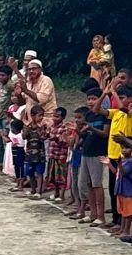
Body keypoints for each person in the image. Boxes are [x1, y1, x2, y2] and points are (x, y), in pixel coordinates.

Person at [77, 91, 111, 227]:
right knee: (88, 183)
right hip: (86, 151)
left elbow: (105, 134)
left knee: (97, 184)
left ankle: (101, 216)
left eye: (94, 99)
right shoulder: (89, 115)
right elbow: (84, 135)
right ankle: (93, 214)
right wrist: (78, 128)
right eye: (89, 99)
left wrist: (91, 128)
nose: (91, 101)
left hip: (98, 152)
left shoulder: (105, 116)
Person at [105, 85, 132, 227]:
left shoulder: (129, 112)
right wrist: (105, 94)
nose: (118, 100)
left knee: (126, 193)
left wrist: (113, 92)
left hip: (127, 155)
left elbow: (124, 109)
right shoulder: (116, 112)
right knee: (114, 190)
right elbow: (97, 110)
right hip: (115, 154)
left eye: (122, 98)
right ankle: (117, 221)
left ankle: (124, 225)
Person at [46, 108, 72, 203]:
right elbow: (46, 136)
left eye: (57, 117)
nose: (55, 118)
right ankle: (56, 192)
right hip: (52, 154)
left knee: (61, 175)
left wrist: (56, 139)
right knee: (53, 175)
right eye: (54, 116)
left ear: (63, 117)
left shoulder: (64, 128)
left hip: (61, 155)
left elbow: (65, 141)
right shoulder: (51, 126)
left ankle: (62, 195)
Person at [21, 106, 48, 197]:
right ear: (32, 116)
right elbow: (24, 136)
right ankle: (33, 189)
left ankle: (39, 190)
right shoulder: (28, 126)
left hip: (40, 154)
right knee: (30, 172)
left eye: (42, 116)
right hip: (30, 154)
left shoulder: (43, 126)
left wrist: (40, 128)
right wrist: (25, 127)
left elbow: (43, 137)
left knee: (39, 173)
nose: (41, 118)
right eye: (39, 115)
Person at [19, 60, 56, 124]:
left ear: (40, 69)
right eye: (29, 69)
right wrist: (18, 95)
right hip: (31, 120)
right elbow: (24, 101)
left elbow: (42, 99)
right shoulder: (28, 82)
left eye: (34, 69)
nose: (31, 71)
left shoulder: (46, 80)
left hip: (45, 119)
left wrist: (26, 90)